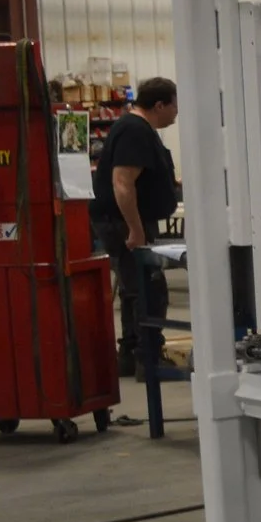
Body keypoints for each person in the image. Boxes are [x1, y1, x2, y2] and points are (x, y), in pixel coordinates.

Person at [91, 77, 181, 372]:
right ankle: (149, 358)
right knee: (150, 289)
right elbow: (122, 182)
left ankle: (131, 354)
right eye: (174, 106)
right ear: (160, 105)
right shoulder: (135, 130)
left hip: (122, 220)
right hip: (125, 223)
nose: (176, 113)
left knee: (134, 288)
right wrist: (136, 228)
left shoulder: (134, 127)